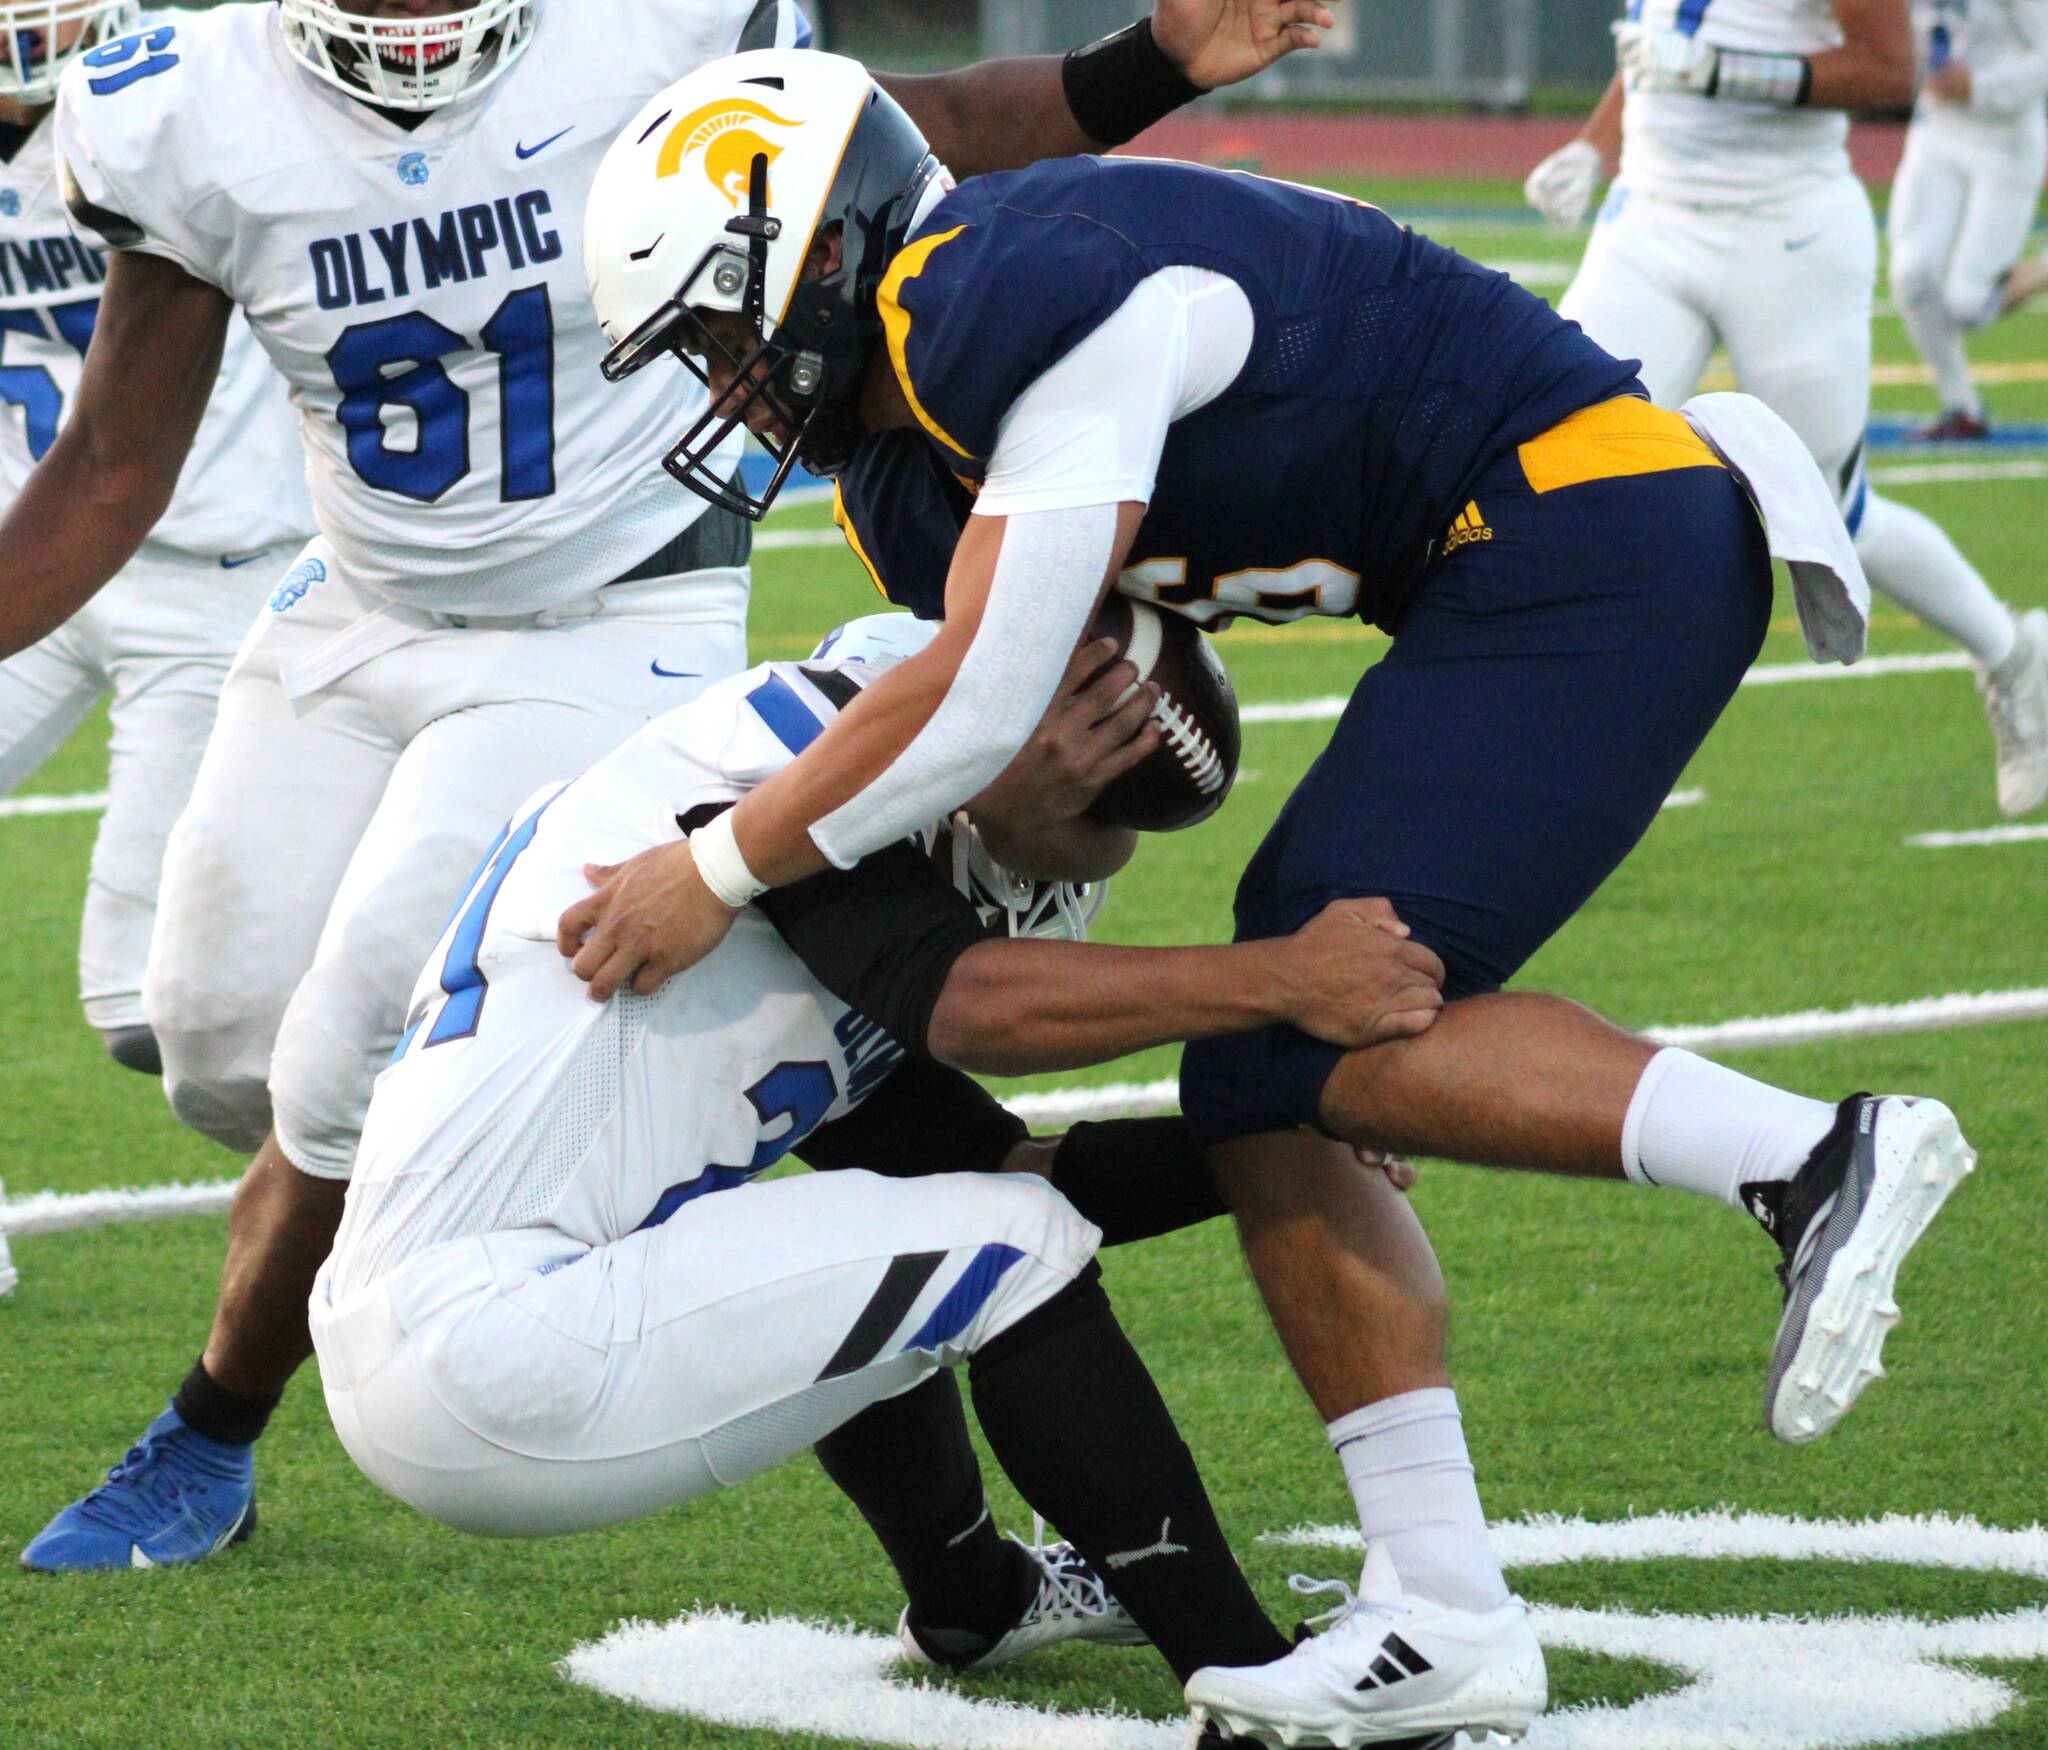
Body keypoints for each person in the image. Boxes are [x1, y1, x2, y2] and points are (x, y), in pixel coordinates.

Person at [570, 49, 1976, 1747]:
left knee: (1307, 1016)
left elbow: (979, 692)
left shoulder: (986, 287)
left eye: (724, 329)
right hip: (1501, 561)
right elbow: (1041, 777)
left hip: (1586, 524)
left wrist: (713, 865)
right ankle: (1439, 1612)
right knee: (1268, 1060)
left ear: (813, 237)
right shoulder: (900, 465)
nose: (724, 382)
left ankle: (1806, 1158)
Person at [13, 0, 1346, 1573]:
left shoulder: (639, 28)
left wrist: (1154, 66)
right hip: (355, 603)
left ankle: (212, 1424)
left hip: (611, 609)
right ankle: (667, 1198)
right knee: (222, 1042)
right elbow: (107, 466)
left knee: (366, 1023)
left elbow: (901, 132)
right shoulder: (188, 101)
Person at [306, 614, 1443, 1733]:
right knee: (1004, 1249)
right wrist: (1283, 981)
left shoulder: (818, 882)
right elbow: (975, 1007)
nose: (1079, 872)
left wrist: (1281, 1124)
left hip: (468, 1333)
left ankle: (972, 1603)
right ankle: (1254, 1685)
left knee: (927, 1230)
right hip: (487, 1338)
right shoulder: (773, 773)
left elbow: (1005, 1162)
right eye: (1063, 778)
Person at [1523, 0, 2048, 817]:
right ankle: (1556, 739)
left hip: (1784, 234)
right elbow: (1658, 50)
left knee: (1833, 514)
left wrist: (1738, 75)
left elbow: (1887, 67)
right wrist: (1596, 146)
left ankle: (2014, 656)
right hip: (1650, 224)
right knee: (1555, 466)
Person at [0, 1, 308, 1074]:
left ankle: (379, 1177)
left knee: (154, 1019)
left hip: (207, 577)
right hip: (27, 568)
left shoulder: (169, 116)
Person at [1888, 0, 2048, 439]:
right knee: (1912, 275)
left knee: (1968, 303)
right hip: (1938, 128)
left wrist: (1979, 84)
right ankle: (1963, 408)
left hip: (2005, 142)